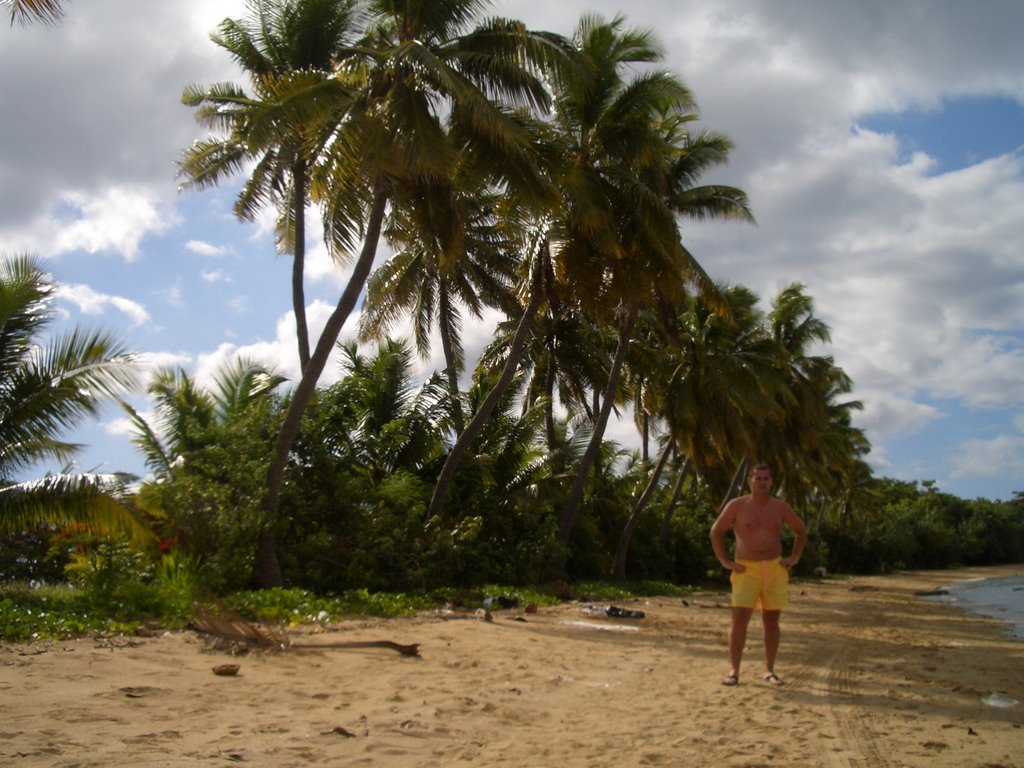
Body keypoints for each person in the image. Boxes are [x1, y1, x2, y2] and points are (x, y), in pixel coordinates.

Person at [709, 463, 806, 687]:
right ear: (750, 481)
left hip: (774, 568)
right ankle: (733, 671)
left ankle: (769, 671)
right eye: (758, 478)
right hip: (746, 569)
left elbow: (800, 530)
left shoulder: (780, 507)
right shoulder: (737, 505)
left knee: (771, 620)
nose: (762, 482)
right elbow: (716, 531)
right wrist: (725, 562)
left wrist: (795, 557)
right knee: (740, 618)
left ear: (771, 482)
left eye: (766, 478)